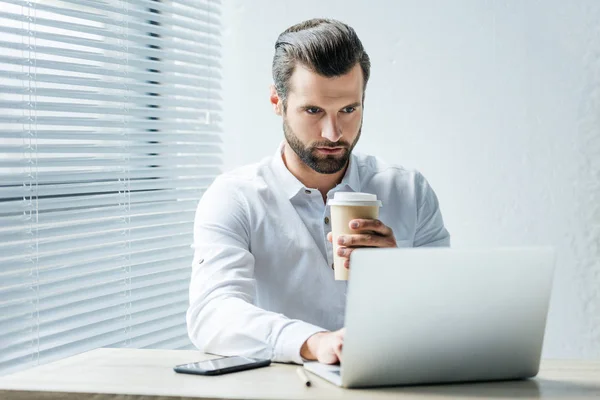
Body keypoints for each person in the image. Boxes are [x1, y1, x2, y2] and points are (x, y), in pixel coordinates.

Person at [187, 18, 450, 366]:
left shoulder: (408, 191)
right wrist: (312, 342)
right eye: (313, 110)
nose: (333, 133)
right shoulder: (236, 198)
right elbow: (212, 314)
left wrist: (399, 273)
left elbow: (447, 310)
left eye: (348, 110)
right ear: (276, 101)